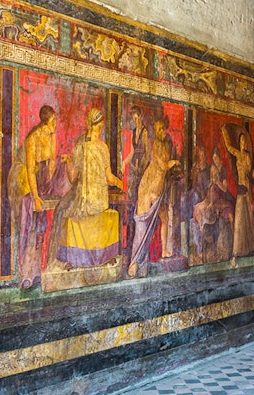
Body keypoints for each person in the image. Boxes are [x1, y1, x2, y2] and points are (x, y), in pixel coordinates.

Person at [52, 108, 124, 268]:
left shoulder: (91, 145)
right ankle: (97, 257)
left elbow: (76, 178)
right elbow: (105, 177)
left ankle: (85, 258)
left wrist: (120, 183)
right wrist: (121, 183)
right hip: (93, 200)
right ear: (97, 124)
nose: (99, 126)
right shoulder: (92, 146)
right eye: (99, 123)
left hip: (90, 200)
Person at [11, 105, 67, 289]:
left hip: (41, 182)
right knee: (29, 228)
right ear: (46, 122)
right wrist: (35, 196)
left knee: (40, 228)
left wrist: (56, 169)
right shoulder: (33, 139)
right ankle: (25, 274)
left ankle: (36, 272)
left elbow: (50, 163)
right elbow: (29, 170)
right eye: (53, 121)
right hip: (25, 183)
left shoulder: (51, 136)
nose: (55, 124)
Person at [128, 117, 181, 277]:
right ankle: (134, 263)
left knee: (164, 218)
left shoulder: (167, 143)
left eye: (161, 129)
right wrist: (174, 162)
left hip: (158, 190)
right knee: (143, 226)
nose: (160, 132)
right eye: (157, 129)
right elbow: (164, 165)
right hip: (148, 189)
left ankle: (164, 249)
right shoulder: (157, 146)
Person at [223, 126, 254, 268]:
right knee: (239, 221)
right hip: (241, 189)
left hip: (248, 189)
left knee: (249, 219)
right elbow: (229, 146)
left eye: (245, 142)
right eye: (241, 142)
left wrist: (253, 174)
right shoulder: (238, 154)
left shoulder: (248, 156)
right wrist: (225, 132)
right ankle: (235, 253)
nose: (243, 144)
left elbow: (250, 174)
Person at [123, 107, 150, 258]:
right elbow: (133, 152)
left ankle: (139, 241)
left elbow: (146, 153)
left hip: (142, 169)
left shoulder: (145, 132)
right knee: (130, 201)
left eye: (136, 117)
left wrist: (143, 170)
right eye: (133, 118)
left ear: (140, 116)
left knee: (139, 203)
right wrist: (124, 163)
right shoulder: (134, 132)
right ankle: (130, 237)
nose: (135, 120)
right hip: (134, 167)